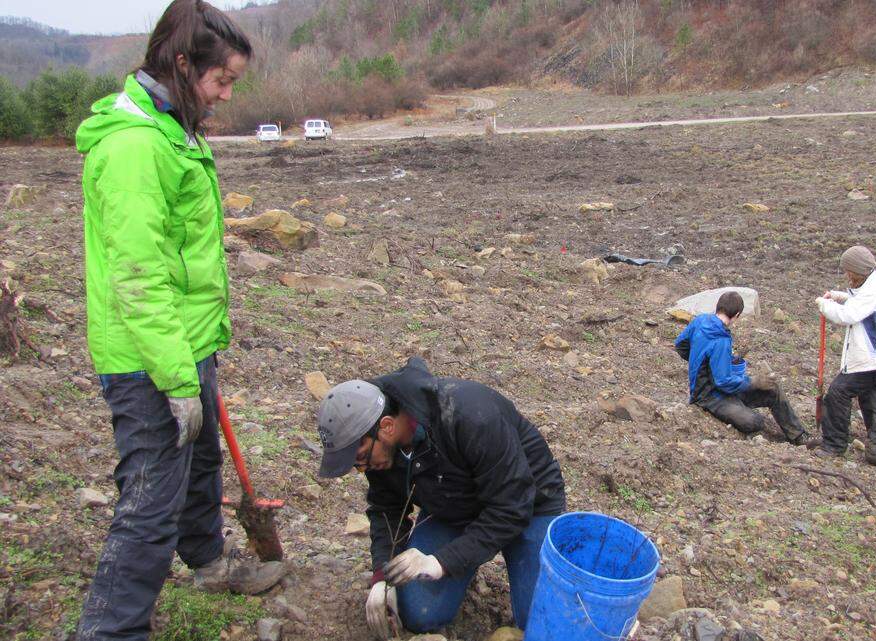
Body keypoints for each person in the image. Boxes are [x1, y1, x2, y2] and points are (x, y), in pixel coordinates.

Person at [74, 2, 283, 640]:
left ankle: (209, 561)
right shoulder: (136, 148)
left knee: (200, 465)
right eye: (221, 82)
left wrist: (198, 359)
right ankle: (108, 631)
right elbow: (138, 278)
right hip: (147, 360)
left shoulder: (174, 129)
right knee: (149, 504)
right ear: (182, 64)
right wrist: (176, 377)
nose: (223, 97)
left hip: (185, 343)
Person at [316, 358, 566, 637]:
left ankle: (477, 559)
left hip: (529, 504)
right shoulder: (379, 446)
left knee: (541, 624)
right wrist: (381, 578)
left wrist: (441, 561)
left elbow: (512, 508)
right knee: (419, 614)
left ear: (386, 426)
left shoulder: (469, 415)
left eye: (360, 458)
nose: (360, 468)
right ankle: (463, 559)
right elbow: (386, 508)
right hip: (453, 504)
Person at [674, 291, 810, 444]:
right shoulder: (721, 340)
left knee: (772, 389)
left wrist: (699, 360)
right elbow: (723, 382)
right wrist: (753, 382)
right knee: (754, 421)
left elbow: (680, 345)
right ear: (737, 314)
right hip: (709, 397)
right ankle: (799, 438)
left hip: (718, 389)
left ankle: (799, 437)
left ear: (718, 307)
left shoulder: (699, 321)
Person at [811, 245, 876, 467]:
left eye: (848, 271)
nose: (846, 276)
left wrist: (824, 305)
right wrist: (839, 296)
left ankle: (834, 444)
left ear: (857, 270)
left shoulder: (872, 290)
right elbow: (859, 303)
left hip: (871, 360)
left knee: (838, 393)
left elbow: (848, 315)